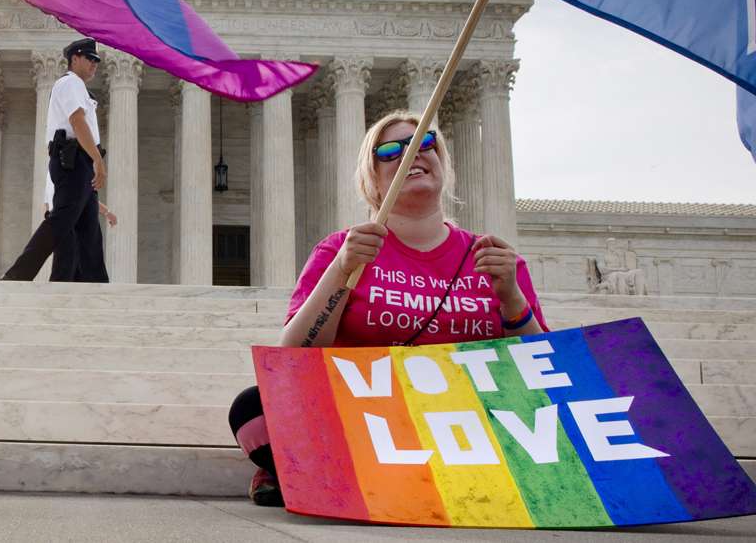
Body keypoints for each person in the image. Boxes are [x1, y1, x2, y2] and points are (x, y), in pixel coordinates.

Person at [227, 110, 548, 507]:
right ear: (371, 180)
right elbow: (292, 355)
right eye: (391, 150)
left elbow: (546, 371)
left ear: (442, 162)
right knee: (254, 409)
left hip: (460, 418)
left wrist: (512, 299)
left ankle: (328, 472)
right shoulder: (339, 250)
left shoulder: (494, 258)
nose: (412, 153)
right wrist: (342, 270)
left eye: (425, 143)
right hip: (370, 418)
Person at [1, 38, 109, 282]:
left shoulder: (79, 87)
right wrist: (97, 161)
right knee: (61, 221)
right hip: (73, 160)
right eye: (90, 59)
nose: (94, 65)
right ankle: (17, 275)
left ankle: (94, 285)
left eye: (96, 61)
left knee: (88, 232)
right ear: (75, 59)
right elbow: (77, 121)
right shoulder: (70, 83)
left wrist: (93, 160)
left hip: (82, 162)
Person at [42, 173, 117, 281]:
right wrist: (108, 212)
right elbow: (84, 197)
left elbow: (47, 203)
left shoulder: (52, 170)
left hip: (63, 218)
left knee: (68, 265)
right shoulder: (63, 168)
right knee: (73, 262)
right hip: (70, 218)